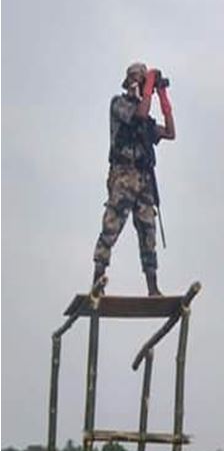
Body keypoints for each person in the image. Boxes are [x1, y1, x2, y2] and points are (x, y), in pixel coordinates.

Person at [92, 62, 176, 295]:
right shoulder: (119, 104)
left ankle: (153, 287)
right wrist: (148, 88)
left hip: (143, 179)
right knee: (111, 227)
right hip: (123, 175)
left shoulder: (146, 118)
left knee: (148, 231)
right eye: (139, 79)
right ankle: (97, 280)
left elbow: (170, 132)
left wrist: (163, 96)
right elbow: (139, 114)